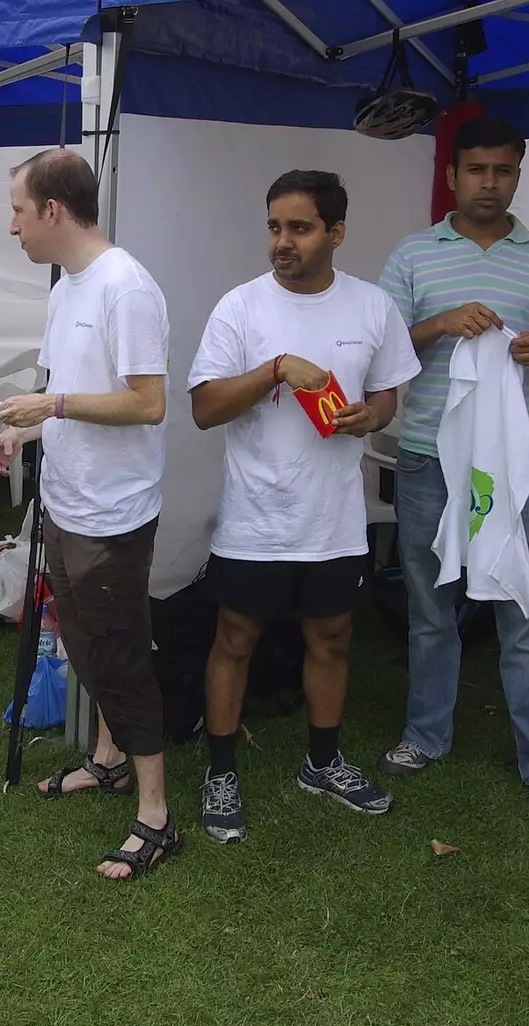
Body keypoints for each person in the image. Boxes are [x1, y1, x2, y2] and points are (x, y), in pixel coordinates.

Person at [187, 170, 420, 843]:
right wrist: (274, 370)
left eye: (299, 227)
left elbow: (386, 397)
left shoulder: (373, 307)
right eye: (274, 226)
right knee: (235, 639)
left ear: (336, 232)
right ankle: (221, 770)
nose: (281, 242)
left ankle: (323, 761)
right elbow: (204, 409)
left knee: (333, 638)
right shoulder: (241, 308)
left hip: (334, 518)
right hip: (256, 516)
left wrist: (365, 415)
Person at [376, 115, 529, 813]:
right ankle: (425, 734)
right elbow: (382, 351)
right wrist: (437, 323)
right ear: (452, 175)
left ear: (518, 174)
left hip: (508, 461)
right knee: (432, 607)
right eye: (477, 170)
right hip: (429, 455)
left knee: (526, 604)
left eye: (503, 171)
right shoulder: (412, 254)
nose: (489, 183)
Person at [0, 148, 178, 881]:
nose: (13, 227)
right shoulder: (67, 284)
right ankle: (107, 760)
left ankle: (156, 815)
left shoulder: (125, 288)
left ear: (53, 211)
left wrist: (52, 405)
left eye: (17, 210)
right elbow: (72, 392)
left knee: (121, 655)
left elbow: (146, 401)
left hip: (112, 513)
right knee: (86, 644)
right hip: (66, 501)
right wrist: (24, 430)